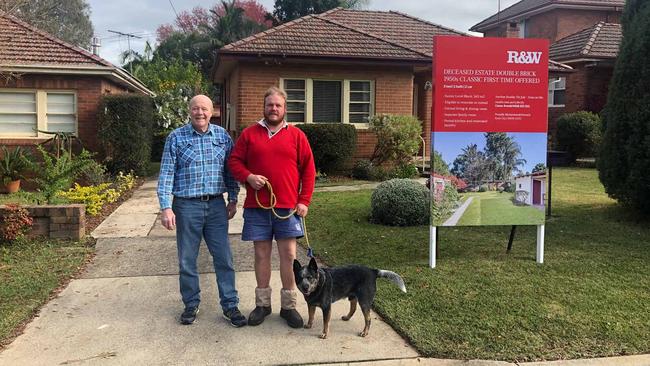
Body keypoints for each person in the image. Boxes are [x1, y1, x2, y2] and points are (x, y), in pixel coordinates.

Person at [228, 86, 316, 328]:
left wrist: (304, 200)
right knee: (261, 255)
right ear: (264, 107)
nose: (274, 109)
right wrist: (248, 177)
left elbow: (308, 169)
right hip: (257, 208)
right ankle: (263, 305)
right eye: (270, 105)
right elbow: (234, 162)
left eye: (278, 105)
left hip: (287, 209)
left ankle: (289, 307)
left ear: (284, 108)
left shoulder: (297, 135)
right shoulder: (249, 134)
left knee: (289, 256)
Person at [157, 94, 246, 327]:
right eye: (196, 108)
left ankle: (230, 305)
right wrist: (166, 207)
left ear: (212, 111)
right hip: (186, 206)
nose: (200, 113)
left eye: (204, 109)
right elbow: (166, 174)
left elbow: (230, 171)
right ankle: (191, 304)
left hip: (216, 206)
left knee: (224, 258)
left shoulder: (222, 136)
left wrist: (233, 199)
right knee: (187, 259)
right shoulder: (176, 138)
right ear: (190, 111)